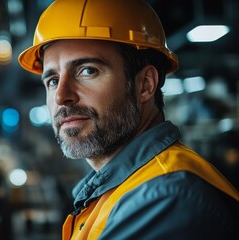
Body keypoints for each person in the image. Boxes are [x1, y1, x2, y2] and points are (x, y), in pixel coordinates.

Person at [18, 0, 239, 239]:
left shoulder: (166, 197)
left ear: (145, 84)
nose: (61, 96)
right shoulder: (118, 191)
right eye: (52, 80)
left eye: (87, 70)